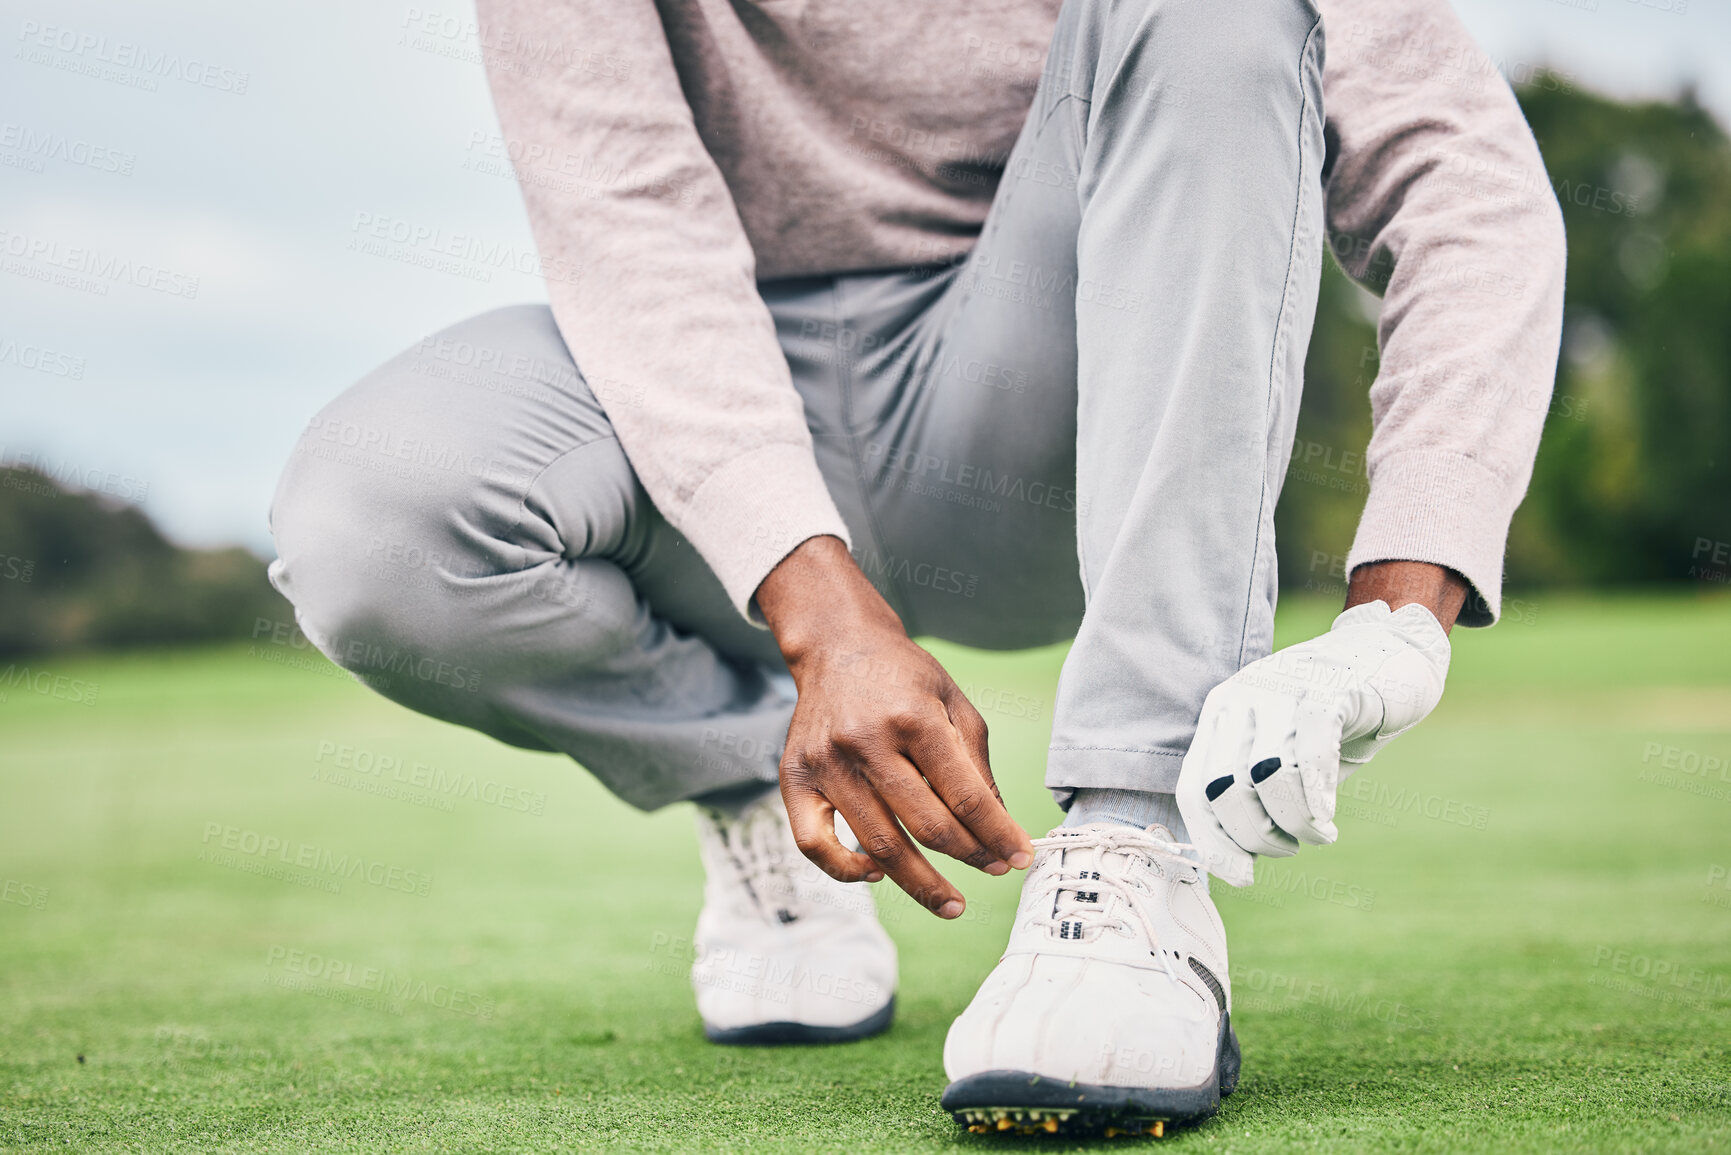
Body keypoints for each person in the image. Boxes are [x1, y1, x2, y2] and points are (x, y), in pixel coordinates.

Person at [268, 0, 1564, 1136]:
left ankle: (1134, 845)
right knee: (374, 519)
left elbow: (1461, 175)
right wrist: (818, 612)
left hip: (1044, 393)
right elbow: (628, 213)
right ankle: (771, 785)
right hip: (718, 394)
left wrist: (1405, 600)